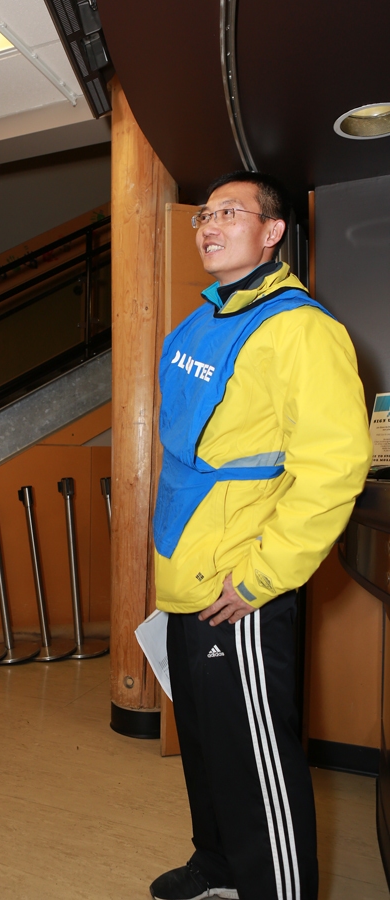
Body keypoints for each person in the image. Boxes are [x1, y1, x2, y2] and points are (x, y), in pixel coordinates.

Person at [150, 172, 372, 900]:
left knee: (255, 761)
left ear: (273, 231)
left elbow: (334, 469)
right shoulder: (200, 322)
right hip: (186, 573)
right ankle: (219, 866)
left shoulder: (303, 329)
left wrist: (259, 578)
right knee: (208, 745)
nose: (209, 226)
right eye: (203, 215)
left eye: (230, 213)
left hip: (238, 584)